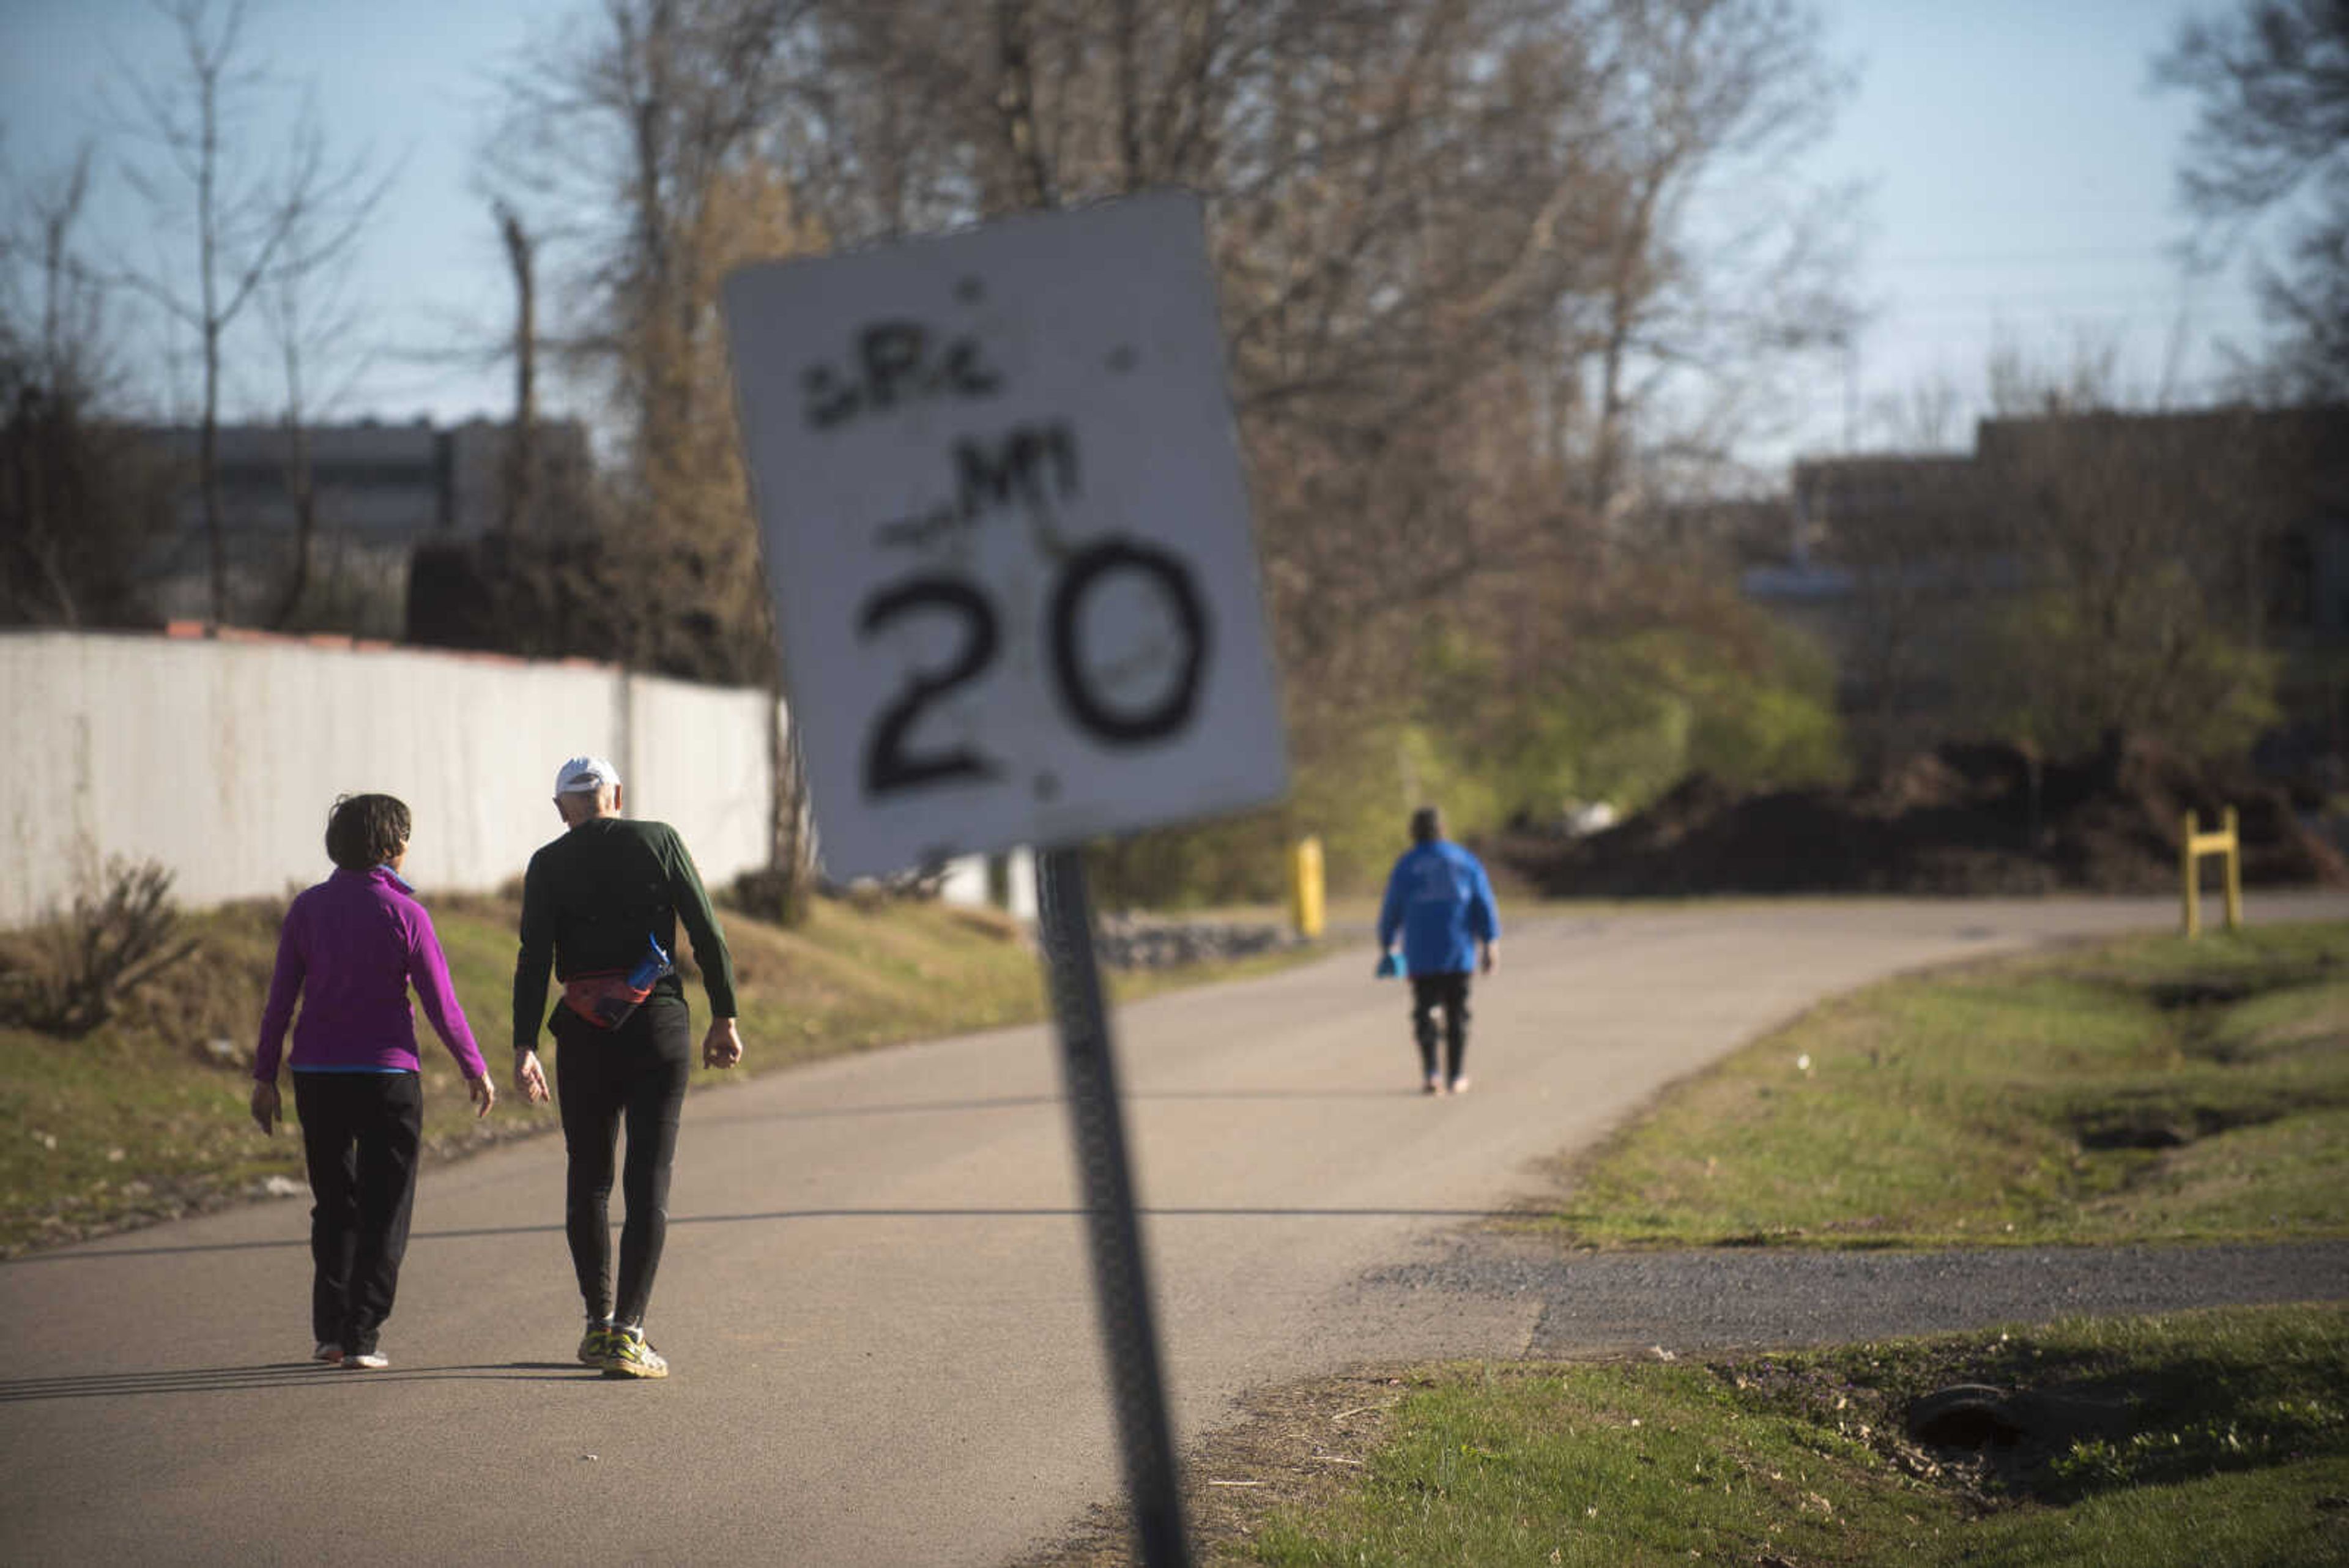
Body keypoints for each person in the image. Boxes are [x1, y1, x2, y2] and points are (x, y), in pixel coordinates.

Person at [510, 754, 743, 1380]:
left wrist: (523, 1043)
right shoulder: (658, 839)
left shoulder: (548, 863)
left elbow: (534, 958)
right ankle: (630, 1331)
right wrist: (725, 1014)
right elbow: (706, 931)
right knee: (649, 1177)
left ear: (564, 809)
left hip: (583, 1032)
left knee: (588, 1176)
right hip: (657, 1024)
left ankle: (597, 1322)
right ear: (617, 794)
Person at [251, 793, 495, 1370]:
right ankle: (362, 1336)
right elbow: (442, 1004)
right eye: (405, 838)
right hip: (387, 1077)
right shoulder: (407, 914)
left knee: (335, 1203)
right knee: (387, 1205)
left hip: (317, 1076)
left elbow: (279, 1003)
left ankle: (330, 1333)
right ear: (390, 847)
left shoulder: (308, 908)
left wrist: (265, 1076)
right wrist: (474, 1067)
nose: (410, 849)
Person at [1376, 805, 1500, 1096]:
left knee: (1424, 1011)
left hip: (1420, 953)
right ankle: (1456, 1075)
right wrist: (1490, 943)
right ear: (1443, 828)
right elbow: (1483, 903)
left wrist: (1387, 942)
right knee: (1458, 1013)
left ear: (1413, 832)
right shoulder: (1465, 861)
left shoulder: (1407, 865)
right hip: (1459, 951)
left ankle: (1431, 1072)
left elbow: (1391, 907)